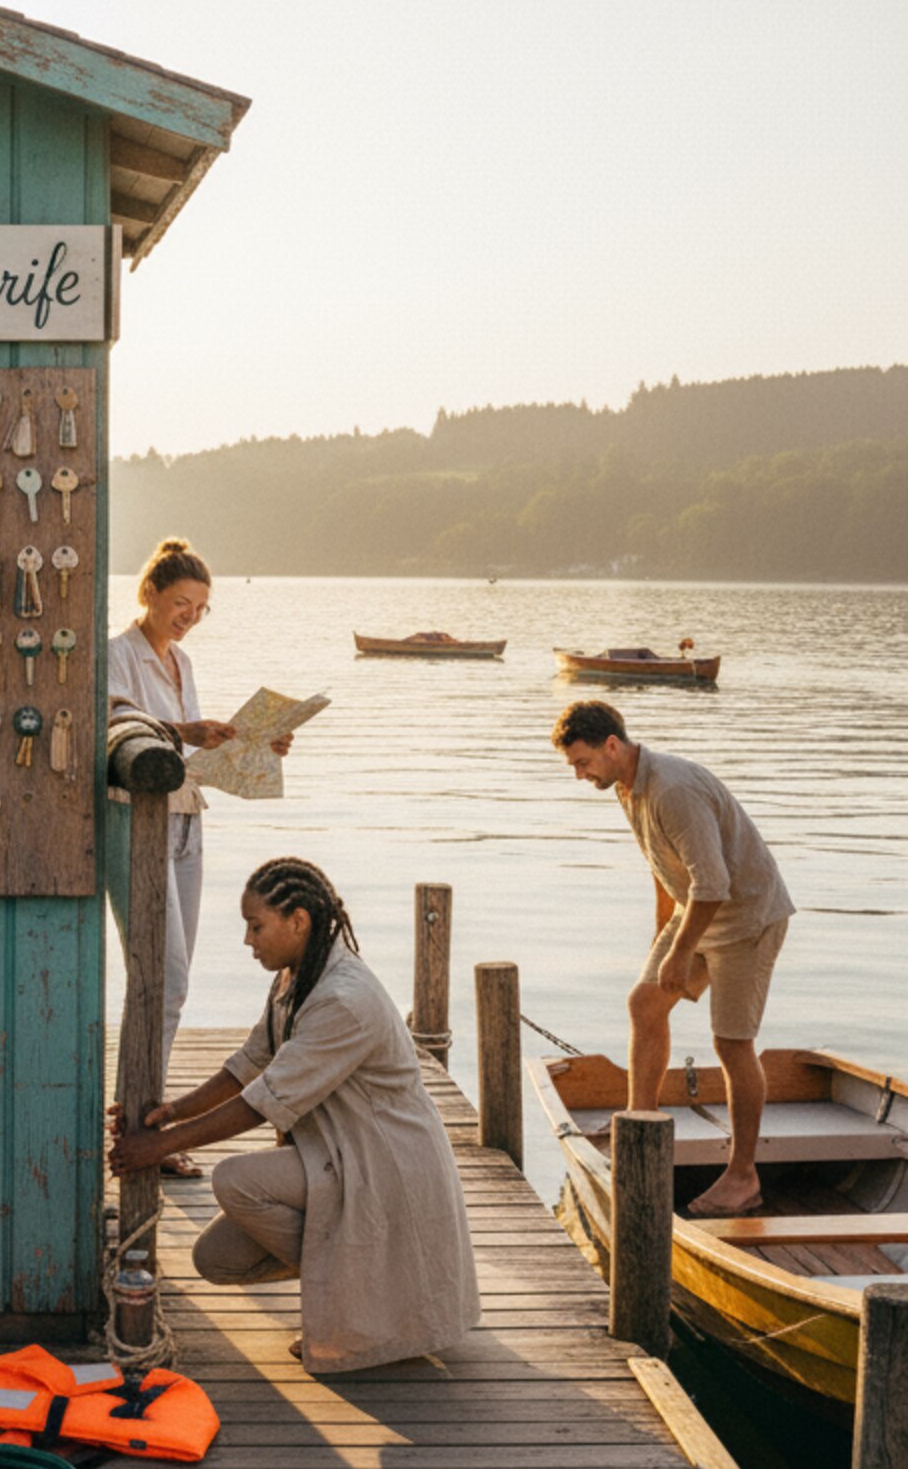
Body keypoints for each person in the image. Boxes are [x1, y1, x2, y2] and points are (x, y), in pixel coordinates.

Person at [110, 856, 481, 1374]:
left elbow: (262, 1102)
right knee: (215, 1259)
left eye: (256, 926)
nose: (247, 940)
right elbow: (248, 1066)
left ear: (298, 920)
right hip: (334, 1151)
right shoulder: (296, 974)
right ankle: (356, 1293)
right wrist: (172, 1113)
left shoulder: (343, 999)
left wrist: (159, 1147)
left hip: (385, 1163)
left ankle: (363, 1309)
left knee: (235, 1179)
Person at [552, 699, 794, 1219]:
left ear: (611, 745)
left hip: (747, 918)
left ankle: (743, 1176)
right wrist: (663, 940)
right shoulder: (624, 785)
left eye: (582, 762)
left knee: (732, 1043)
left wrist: (681, 954)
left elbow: (713, 884)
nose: (578, 775)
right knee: (644, 1002)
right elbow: (667, 869)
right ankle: (642, 1126)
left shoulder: (673, 789)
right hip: (698, 911)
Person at [106, 537, 293, 1175]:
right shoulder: (117, 655)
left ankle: (140, 1117)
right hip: (134, 820)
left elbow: (192, 756)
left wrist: (255, 747)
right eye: (181, 602)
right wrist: (186, 731)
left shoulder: (182, 663)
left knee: (168, 982)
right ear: (150, 594)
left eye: (200, 607)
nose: (188, 615)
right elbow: (113, 723)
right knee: (165, 976)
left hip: (187, 819)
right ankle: (136, 1127)